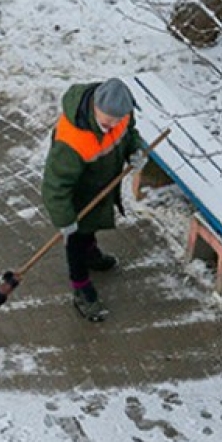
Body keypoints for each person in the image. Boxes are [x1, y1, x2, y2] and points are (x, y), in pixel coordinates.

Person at [41, 78, 145, 322]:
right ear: (94, 106)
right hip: (75, 197)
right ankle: (81, 288)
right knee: (75, 238)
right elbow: (54, 187)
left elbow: (130, 135)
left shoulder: (122, 116)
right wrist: (64, 220)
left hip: (100, 183)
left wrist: (136, 150)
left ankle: (91, 252)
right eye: (107, 120)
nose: (113, 125)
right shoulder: (72, 139)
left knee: (92, 224)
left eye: (117, 119)